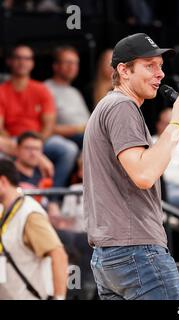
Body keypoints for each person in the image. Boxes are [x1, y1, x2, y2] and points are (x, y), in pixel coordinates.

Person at [83, 33, 179, 300]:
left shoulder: (108, 106)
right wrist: (177, 123)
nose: (160, 74)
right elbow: (144, 174)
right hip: (136, 250)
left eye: (161, 66)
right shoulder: (122, 106)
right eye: (150, 65)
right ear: (123, 71)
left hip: (110, 255)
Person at [0, 44, 78, 188]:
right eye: (18, 58)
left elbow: (49, 125)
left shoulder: (41, 90)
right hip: (12, 140)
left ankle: (53, 196)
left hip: (40, 139)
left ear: (32, 63)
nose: (22, 62)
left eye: (27, 58)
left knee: (68, 149)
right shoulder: (2, 91)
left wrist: (35, 147)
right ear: (9, 61)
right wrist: (25, 148)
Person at [0, 159, 68, 300]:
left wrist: (59, 298)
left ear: (3, 182)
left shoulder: (29, 213)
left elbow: (59, 255)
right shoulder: (4, 211)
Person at [45, 46, 90, 149]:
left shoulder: (74, 91)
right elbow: (47, 128)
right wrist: (79, 129)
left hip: (86, 137)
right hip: (67, 140)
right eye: (68, 62)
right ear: (55, 66)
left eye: (75, 63)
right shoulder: (46, 89)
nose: (72, 67)